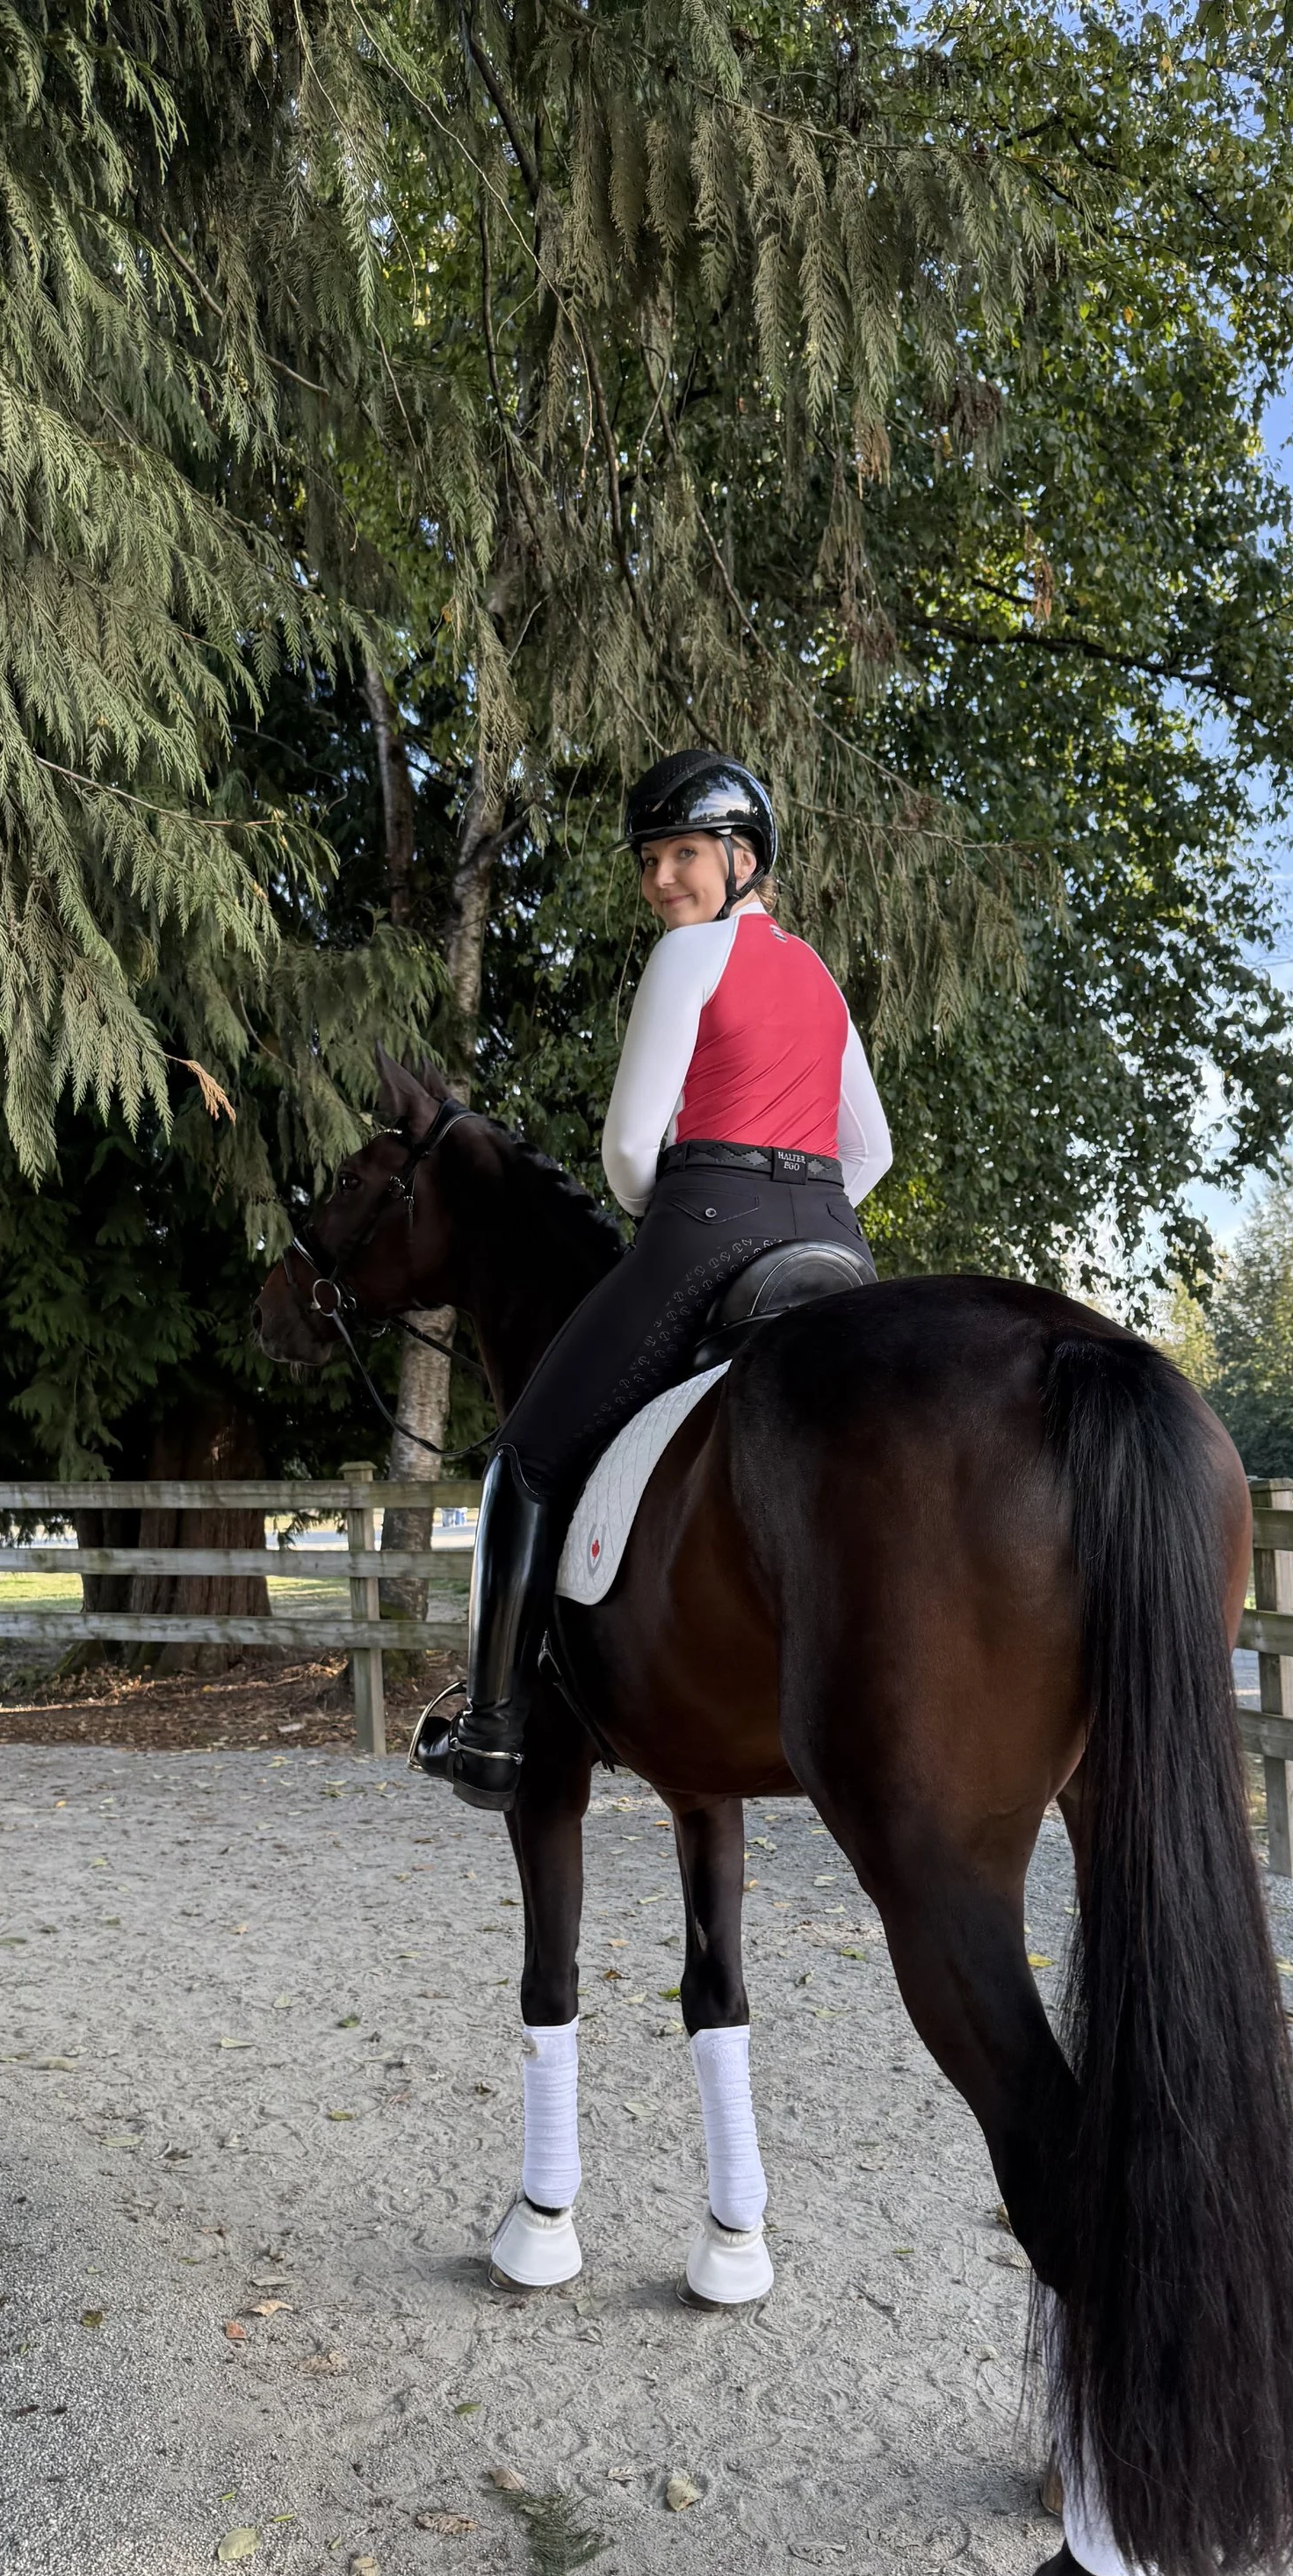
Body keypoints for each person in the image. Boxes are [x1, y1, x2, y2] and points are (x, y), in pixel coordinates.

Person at [414, 748, 892, 1809]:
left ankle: (492, 1734)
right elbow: (874, 1151)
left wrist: (680, 1198)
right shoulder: (816, 975)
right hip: (835, 1242)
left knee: (527, 1460)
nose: (662, 881)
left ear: (742, 859)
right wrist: (804, 1195)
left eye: (683, 854)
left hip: (706, 1228)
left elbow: (629, 1153)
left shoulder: (686, 957)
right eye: (651, 861)